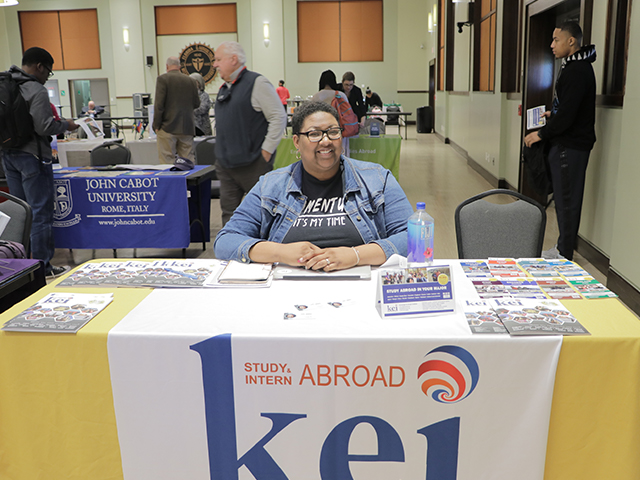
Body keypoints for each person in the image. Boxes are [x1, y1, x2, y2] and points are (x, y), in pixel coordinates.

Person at [214, 101, 413, 271]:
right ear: (296, 142)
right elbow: (225, 241)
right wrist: (281, 252)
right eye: (314, 134)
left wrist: (355, 255)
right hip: (286, 289)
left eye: (333, 132)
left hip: (360, 286)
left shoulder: (377, 179)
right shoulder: (271, 185)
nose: (326, 141)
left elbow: (413, 239)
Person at [0, 47, 79, 276]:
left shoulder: (7, 83)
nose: (47, 78)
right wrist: (66, 124)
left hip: (8, 155)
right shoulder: (36, 90)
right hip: (33, 158)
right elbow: (44, 126)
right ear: (40, 67)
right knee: (40, 214)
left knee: (21, 212)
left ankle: (22, 266)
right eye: (49, 72)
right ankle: (42, 266)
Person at [524, 21, 596, 261]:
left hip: (570, 146)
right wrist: (552, 115)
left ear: (571, 41)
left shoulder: (577, 70)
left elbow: (568, 115)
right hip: (570, 143)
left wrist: (541, 134)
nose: (551, 44)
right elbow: (569, 109)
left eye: (556, 40)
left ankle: (564, 255)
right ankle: (562, 248)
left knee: (566, 201)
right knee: (566, 199)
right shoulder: (575, 67)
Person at [213, 41, 287, 225]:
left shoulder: (257, 83)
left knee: (262, 214)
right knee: (228, 216)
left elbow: (278, 117)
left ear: (234, 59)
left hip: (253, 165)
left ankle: (263, 251)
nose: (214, 64)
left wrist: (266, 151)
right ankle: (230, 252)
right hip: (226, 166)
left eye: (218, 59)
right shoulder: (224, 89)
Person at [152, 56, 200, 164]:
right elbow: (197, 104)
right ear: (180, 66)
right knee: (188, 161)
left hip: (167, 127)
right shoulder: (191, 81)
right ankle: (189, 181)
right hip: (187, 128)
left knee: (167, 161)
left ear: (167, 66)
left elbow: (159, 105)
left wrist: (156, 125)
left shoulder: (162, 79)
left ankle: (170, 181)